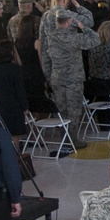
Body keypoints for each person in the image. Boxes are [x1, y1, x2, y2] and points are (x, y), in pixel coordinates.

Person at [43, 10, 99, 149]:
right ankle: (73, 139)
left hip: (57, 78)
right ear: (68, 21)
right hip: (74, 78)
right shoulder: (74, 37)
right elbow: (96, 39)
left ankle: (64, 137)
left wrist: (49, 78)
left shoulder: (49, 37)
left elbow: (45, 60)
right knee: (74, 109)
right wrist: (83, 27)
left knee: (62, 109)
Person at [0, 40, 29, 146]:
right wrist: (25, 106)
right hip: (14, 106)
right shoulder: (15, 69)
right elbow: (20, 90)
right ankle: (14, 158)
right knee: (14, 135)